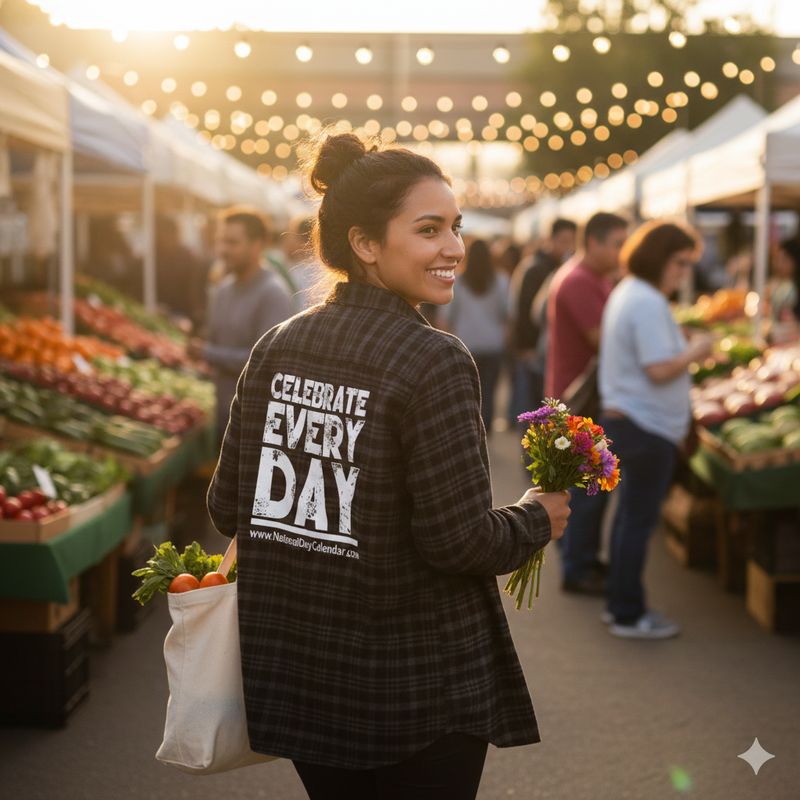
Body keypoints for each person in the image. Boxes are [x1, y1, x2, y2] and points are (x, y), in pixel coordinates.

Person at [206, 133, 571, 800]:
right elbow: (459, 541)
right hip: (414, 687)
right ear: (366, 244)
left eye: (456, 227)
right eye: (428, 229)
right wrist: (536, 518)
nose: (454, 248)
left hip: (299, 676)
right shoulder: (433, 359)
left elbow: (228, 507)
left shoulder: (275, 347)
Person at [599, 221, 713, 639]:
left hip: (635, 421)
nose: (684, 272)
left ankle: (619, 605)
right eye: (680, 262)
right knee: (637, 522)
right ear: (659, 258)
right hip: (646, 425)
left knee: (629, 518)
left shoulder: (631, 292)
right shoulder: (645, 300)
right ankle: (628, 614)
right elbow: (658, 369)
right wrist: (696, 350)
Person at [546, 212, 627, 595]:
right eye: (617, 244)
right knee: (587, 489)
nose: (622, 252)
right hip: (580, 398)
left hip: (582, 396)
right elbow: (603, 339)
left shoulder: (593, 278)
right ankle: (577, 568)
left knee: (590, 486)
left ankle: (583, 560)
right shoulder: (578, 280)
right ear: (593, 242)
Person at [189, 207, 292, 442]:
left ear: (258, 245)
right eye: (221, 241)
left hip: (256, 424)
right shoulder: (223, 289)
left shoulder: (273, 293)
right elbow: (215, 339)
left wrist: (207, 352)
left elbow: (265, 363)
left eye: (232, 242)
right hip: (223, 414)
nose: (223, 250)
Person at [508, 219, 577, 421]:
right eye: (564, 241)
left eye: (572, 241)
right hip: (533, 351)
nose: (568, 246)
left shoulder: (562, 267)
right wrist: (526, 347)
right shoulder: (535, 268)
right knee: (533, 413)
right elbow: (524, 311)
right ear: (550, 240)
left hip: (548, 352)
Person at [440, 239, 510, 433]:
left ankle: (469, 430)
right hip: (493, 344)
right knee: (489, 391)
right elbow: (508, 315)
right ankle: (486, 430)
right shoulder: (501, 281)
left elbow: (445, 318)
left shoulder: (457, 281)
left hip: (465, 345)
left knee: (466, 393)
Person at [282, 214, 322, 311]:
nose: (287, 240)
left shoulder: (300, 272)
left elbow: (299, 306)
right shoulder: (323, 268)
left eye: (291, 235)